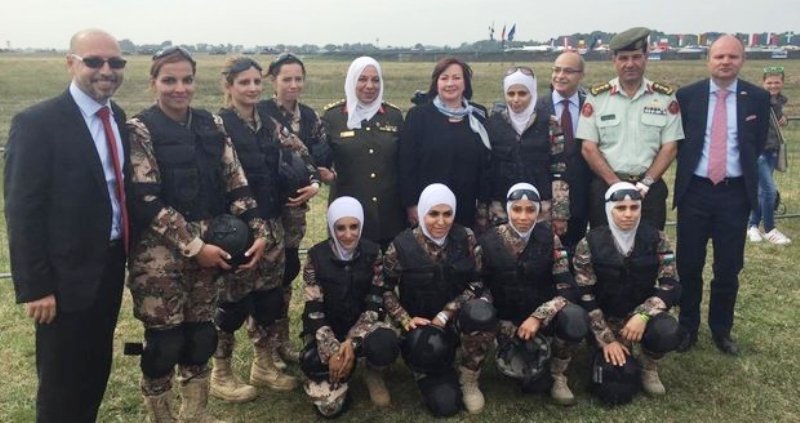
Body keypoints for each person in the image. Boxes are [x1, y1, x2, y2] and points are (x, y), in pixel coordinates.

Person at [126, 47, 268, 422]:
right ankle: (161, 417)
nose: (180, 88)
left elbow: (236, 181)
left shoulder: (211, 125)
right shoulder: (140, 130)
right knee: (164, 343)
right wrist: (193, 246)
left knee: (201, 335)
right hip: (159, 257)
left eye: (187, 79)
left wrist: (258, 231)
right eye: (169, 80)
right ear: (153, 83)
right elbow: (146, 199)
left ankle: (196, 414)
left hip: (211, 251)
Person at [4, 29, 128, 423]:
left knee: (95, 367)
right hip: (62, 277)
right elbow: (23, 210)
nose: (106, 70)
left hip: (109, 265)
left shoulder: (117, 117)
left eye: (115, 62)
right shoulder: (37, 123)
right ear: (71, 63)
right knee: (61, 379)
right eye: (94, 61)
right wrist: (36, 287)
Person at [674, 35, 770, 355]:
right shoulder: (688, 96)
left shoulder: (757, 97)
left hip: (734, 194)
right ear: (708, 60)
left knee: (728, 267)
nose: (725, 62)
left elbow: (756, 142)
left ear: (743, 60)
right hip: (695, 192)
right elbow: (680, 142)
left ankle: (721, 330)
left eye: (732, 56)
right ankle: (687, 327)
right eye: (719, 56)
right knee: (689, 265)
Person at [212, 56, 301, 403]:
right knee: (231, 303)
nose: (252, 89)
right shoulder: (218, 126)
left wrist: (310, 178)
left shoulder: (269, 123)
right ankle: (221, 372)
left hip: (272, 223)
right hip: (237, 230)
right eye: (244, 82)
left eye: (256, 82)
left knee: (268, 299)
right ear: (229, 86)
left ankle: (263, 364)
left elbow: (299, 152)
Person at [381, 183, 496, 415]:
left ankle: (469, 377)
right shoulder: (401, 245)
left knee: (482, 314)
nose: (441, 222)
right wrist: (405, 319)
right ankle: (427, 368)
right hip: (422, 328)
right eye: (433, 214)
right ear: (422, 213)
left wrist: (446, 313)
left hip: (456, 319)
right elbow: (384, 289)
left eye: (447, 214)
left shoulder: (466, 237)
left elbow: (477, 282)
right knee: (445, 406)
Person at [479, 183, 586, 405]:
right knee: (475, 312)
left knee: (575, 316)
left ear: (538, 211)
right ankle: (471, 378)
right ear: (508, 209)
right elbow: (481, 287)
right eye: (517, 209)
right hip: (504, 320)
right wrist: (495, 321)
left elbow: (567, 287)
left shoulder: (550, 239)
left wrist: (539, 316)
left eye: (530, 210)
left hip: (540, 321)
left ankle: (558, 374)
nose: (523, 216)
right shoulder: (489, 241)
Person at [573, 182, 682, 401]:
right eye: (620, 208)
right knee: (611, 383)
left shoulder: (657, 238)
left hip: (639, 318)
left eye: (634, 207)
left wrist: (643, 315)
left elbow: (670, 285)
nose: (628, 214)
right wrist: (607, 339)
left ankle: (649, 366)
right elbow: (584, 294)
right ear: (608, 210)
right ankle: (600, 350)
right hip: (603, 319)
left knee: (667, 330)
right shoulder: (590, 242)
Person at [299, 196, 399, 417]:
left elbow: (374, 301)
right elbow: (313, 309)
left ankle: (374, 373)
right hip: (327, 330)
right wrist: (333, 349)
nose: (348, 234)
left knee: (385, 342)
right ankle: (339, 375)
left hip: (363, 327)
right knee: (329, 408)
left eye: (354, 226)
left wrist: (351, 342)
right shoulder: (316, 256)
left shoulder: (374, 253)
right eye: (340, 228)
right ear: (331, 227)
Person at [577, 27, 684, 230]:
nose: (630, 64)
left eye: (636, 57)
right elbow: (588, 148)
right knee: (604, 246)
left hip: (649, 190)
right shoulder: (597, 97)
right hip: (607, 187)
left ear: (646, 57)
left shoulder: (664, 97)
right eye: (623, 58)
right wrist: (615, 184)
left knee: (649, 245)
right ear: (614, 60)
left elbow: (670, 147)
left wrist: (646, 183)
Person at [260, 52, 329, 368]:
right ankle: (264, 346)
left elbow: (320, 160)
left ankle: (282, 340)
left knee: (287, 271)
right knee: (265, 276)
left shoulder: (311, 118)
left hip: (295, 209)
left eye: (298, 78)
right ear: (273, 81)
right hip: (266, 207)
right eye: (286, 79)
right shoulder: (261, 113)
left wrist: (316, 183)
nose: (293, 84)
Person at [398, 57, 491, 231]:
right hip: (429, 209)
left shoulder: (478, 115)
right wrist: (411, 205)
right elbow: (407, 164)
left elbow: (485, 163)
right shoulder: (418, 116)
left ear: (465, 83)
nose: (450, 83)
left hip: (466, 206)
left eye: (456, 78)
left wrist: (483, 204)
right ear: (436, 83)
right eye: (444, 78)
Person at [321, 56, 405, 248]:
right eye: (362, 79)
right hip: (349, 218)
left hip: (390, 215)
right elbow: (321, 160)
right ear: (352, 80)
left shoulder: (394, 116)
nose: (369, 86)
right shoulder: (333, 118)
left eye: (375, 80)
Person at [485, 66, 569, 231]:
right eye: (511, 94)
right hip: (501, 210)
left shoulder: (550, 123)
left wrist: (560, 214)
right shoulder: (492, 124)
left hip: (541, 210)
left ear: (532, 93)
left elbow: (560, 170)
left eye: (522, 93)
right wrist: (482, 213)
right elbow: (486, 171)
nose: (516, 99)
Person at [538, 52, 591, 253]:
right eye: (557, 70)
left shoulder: (592, 106)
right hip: (546, 198)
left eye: (568, 71)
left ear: (581, 75)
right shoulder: (537, 108)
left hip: (583, 197)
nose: (560, 76)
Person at [747, 66, 791, 245]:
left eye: (777, 82)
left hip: (772, 150)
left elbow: (777, 120)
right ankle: (770, 229)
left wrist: (785, 118)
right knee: (769, 191)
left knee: (762, 191)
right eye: (769, 82)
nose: (773, 85)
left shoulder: (779, 101)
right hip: (758, 151)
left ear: (782, 83)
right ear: (763, 83)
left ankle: (752, 226)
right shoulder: (758, 100)